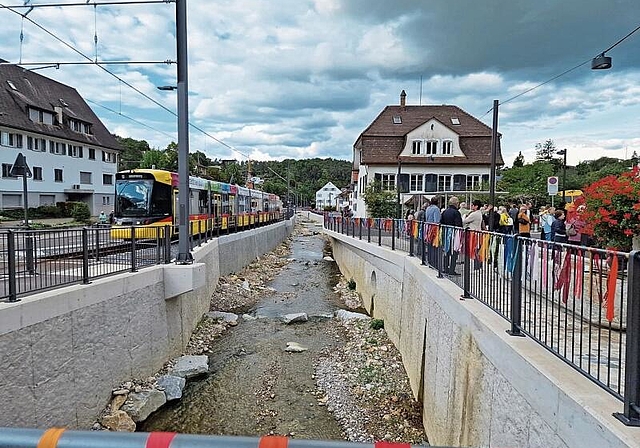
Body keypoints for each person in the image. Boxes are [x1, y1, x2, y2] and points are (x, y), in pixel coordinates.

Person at [440, 196, 463, 275]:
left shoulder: (445, 212)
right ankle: (452, 270)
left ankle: (445, 268)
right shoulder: (456, 212)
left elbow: (441, 222)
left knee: (447, 251)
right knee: (454, 252)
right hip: (454, 234)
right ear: (456, 203)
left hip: (446, 233)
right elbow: (459, 224)